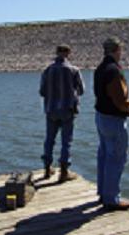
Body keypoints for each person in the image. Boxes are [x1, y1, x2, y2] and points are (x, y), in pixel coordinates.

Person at [94, 37, 129, 211]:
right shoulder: (113, 71)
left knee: (104, 156)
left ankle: (103, 193)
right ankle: (111, 199)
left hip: (101, 117)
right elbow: (120, 100)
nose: (121, 53)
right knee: (116, 159)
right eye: (120, 50)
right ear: (116, 50)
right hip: (113, 121)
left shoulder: (100, 68)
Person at [39, 44, 85, 182]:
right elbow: (82, 90)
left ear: (56, 52)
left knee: (49, 140)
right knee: (66, 142)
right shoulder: (74, 70)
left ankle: (47, 170)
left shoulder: (48, 70)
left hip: (51, 110)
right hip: (68, 110)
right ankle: (64, 172)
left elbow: (42, 92)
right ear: (68, 53)